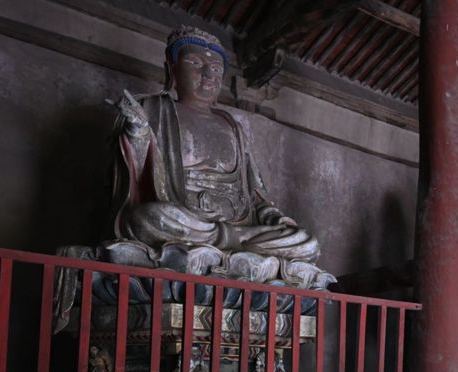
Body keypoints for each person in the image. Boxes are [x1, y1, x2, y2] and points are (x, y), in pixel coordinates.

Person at [107, 26, 332, 290]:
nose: (207, 75)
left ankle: (228, 244)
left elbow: (256, 194)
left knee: (307, 242)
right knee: (147, 218)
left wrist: (274, 219)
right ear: (172, 69)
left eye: (215, 68)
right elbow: (137, 173)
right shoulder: (154, 109)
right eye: (195, 63)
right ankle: (235, 246)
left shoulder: (232, 126)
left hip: (239, 224)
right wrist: (137, 130)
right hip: (186, 218)